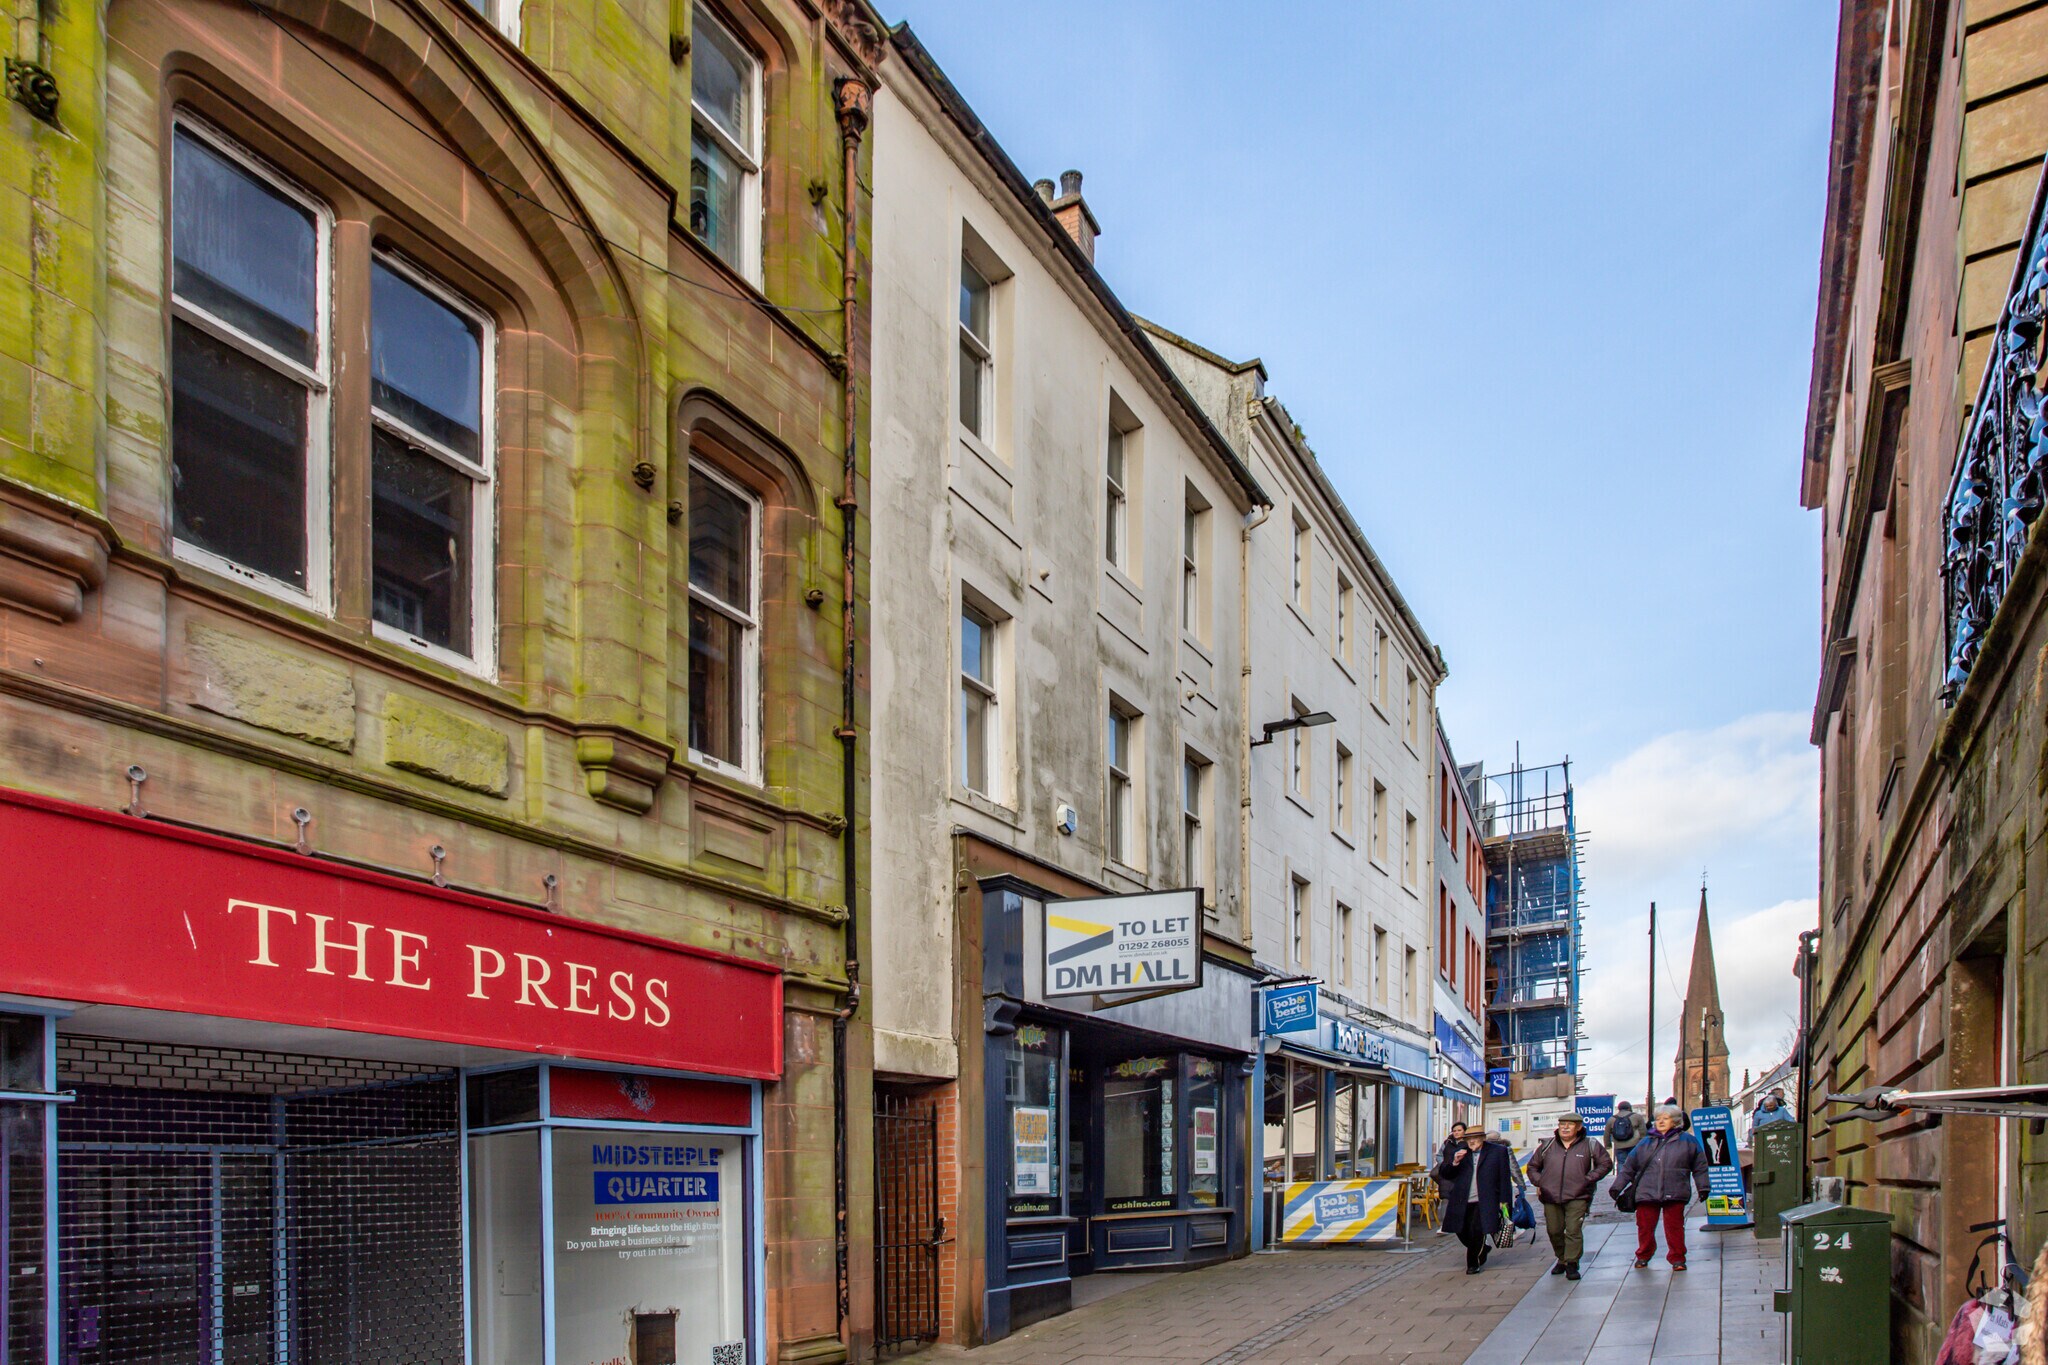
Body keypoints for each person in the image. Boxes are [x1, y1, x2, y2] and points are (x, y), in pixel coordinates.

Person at [1616, 1104, 1710, 1270]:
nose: (1660, 1122)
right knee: (1645, 1226)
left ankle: (1677, 1258)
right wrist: (1617, 1187)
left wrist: (1703, 1187)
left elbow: (1700, 1166)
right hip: (1647, 1190)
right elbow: (1630, 1166)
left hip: (1675, 1189)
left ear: (1675, 1121)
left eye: (1665, 1118)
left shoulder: (1688, 1141)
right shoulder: (1645, 1142)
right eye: (1658, 1119)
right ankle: (1643, 1254)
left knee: (1674, 1227)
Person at [1523, 1112, 1614, 1281]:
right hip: (1551, 1196)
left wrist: (1588, 1179)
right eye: (1562, 1123)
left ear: (1578, 1128)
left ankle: (1572, 1263)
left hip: (1578, 1195)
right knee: (1554, 1230)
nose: (1565, 1127)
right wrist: (1540, 1182)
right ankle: (1562, 1258)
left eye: (1570, 1124)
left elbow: (1606, 1164)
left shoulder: (1590, 1144)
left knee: (1573, 1230)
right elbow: (1532, 1167)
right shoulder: (1547, 1145)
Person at [1433, 1126, 1514, 1274]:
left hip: (1486, 1200)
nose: (1472, 1142)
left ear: (1483, 1138)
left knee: (1478, 1230)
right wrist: (1455, 1162)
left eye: (1475, 1138)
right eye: (1469, 1139)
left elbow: (1504, 1178)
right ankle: (1483, 1249)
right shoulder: (1460, 1151)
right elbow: (1445, 1173)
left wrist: (1505, 1203)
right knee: (1461, 1230)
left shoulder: (1498, 1151)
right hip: (1461, 1200)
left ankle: (1473, 1263)